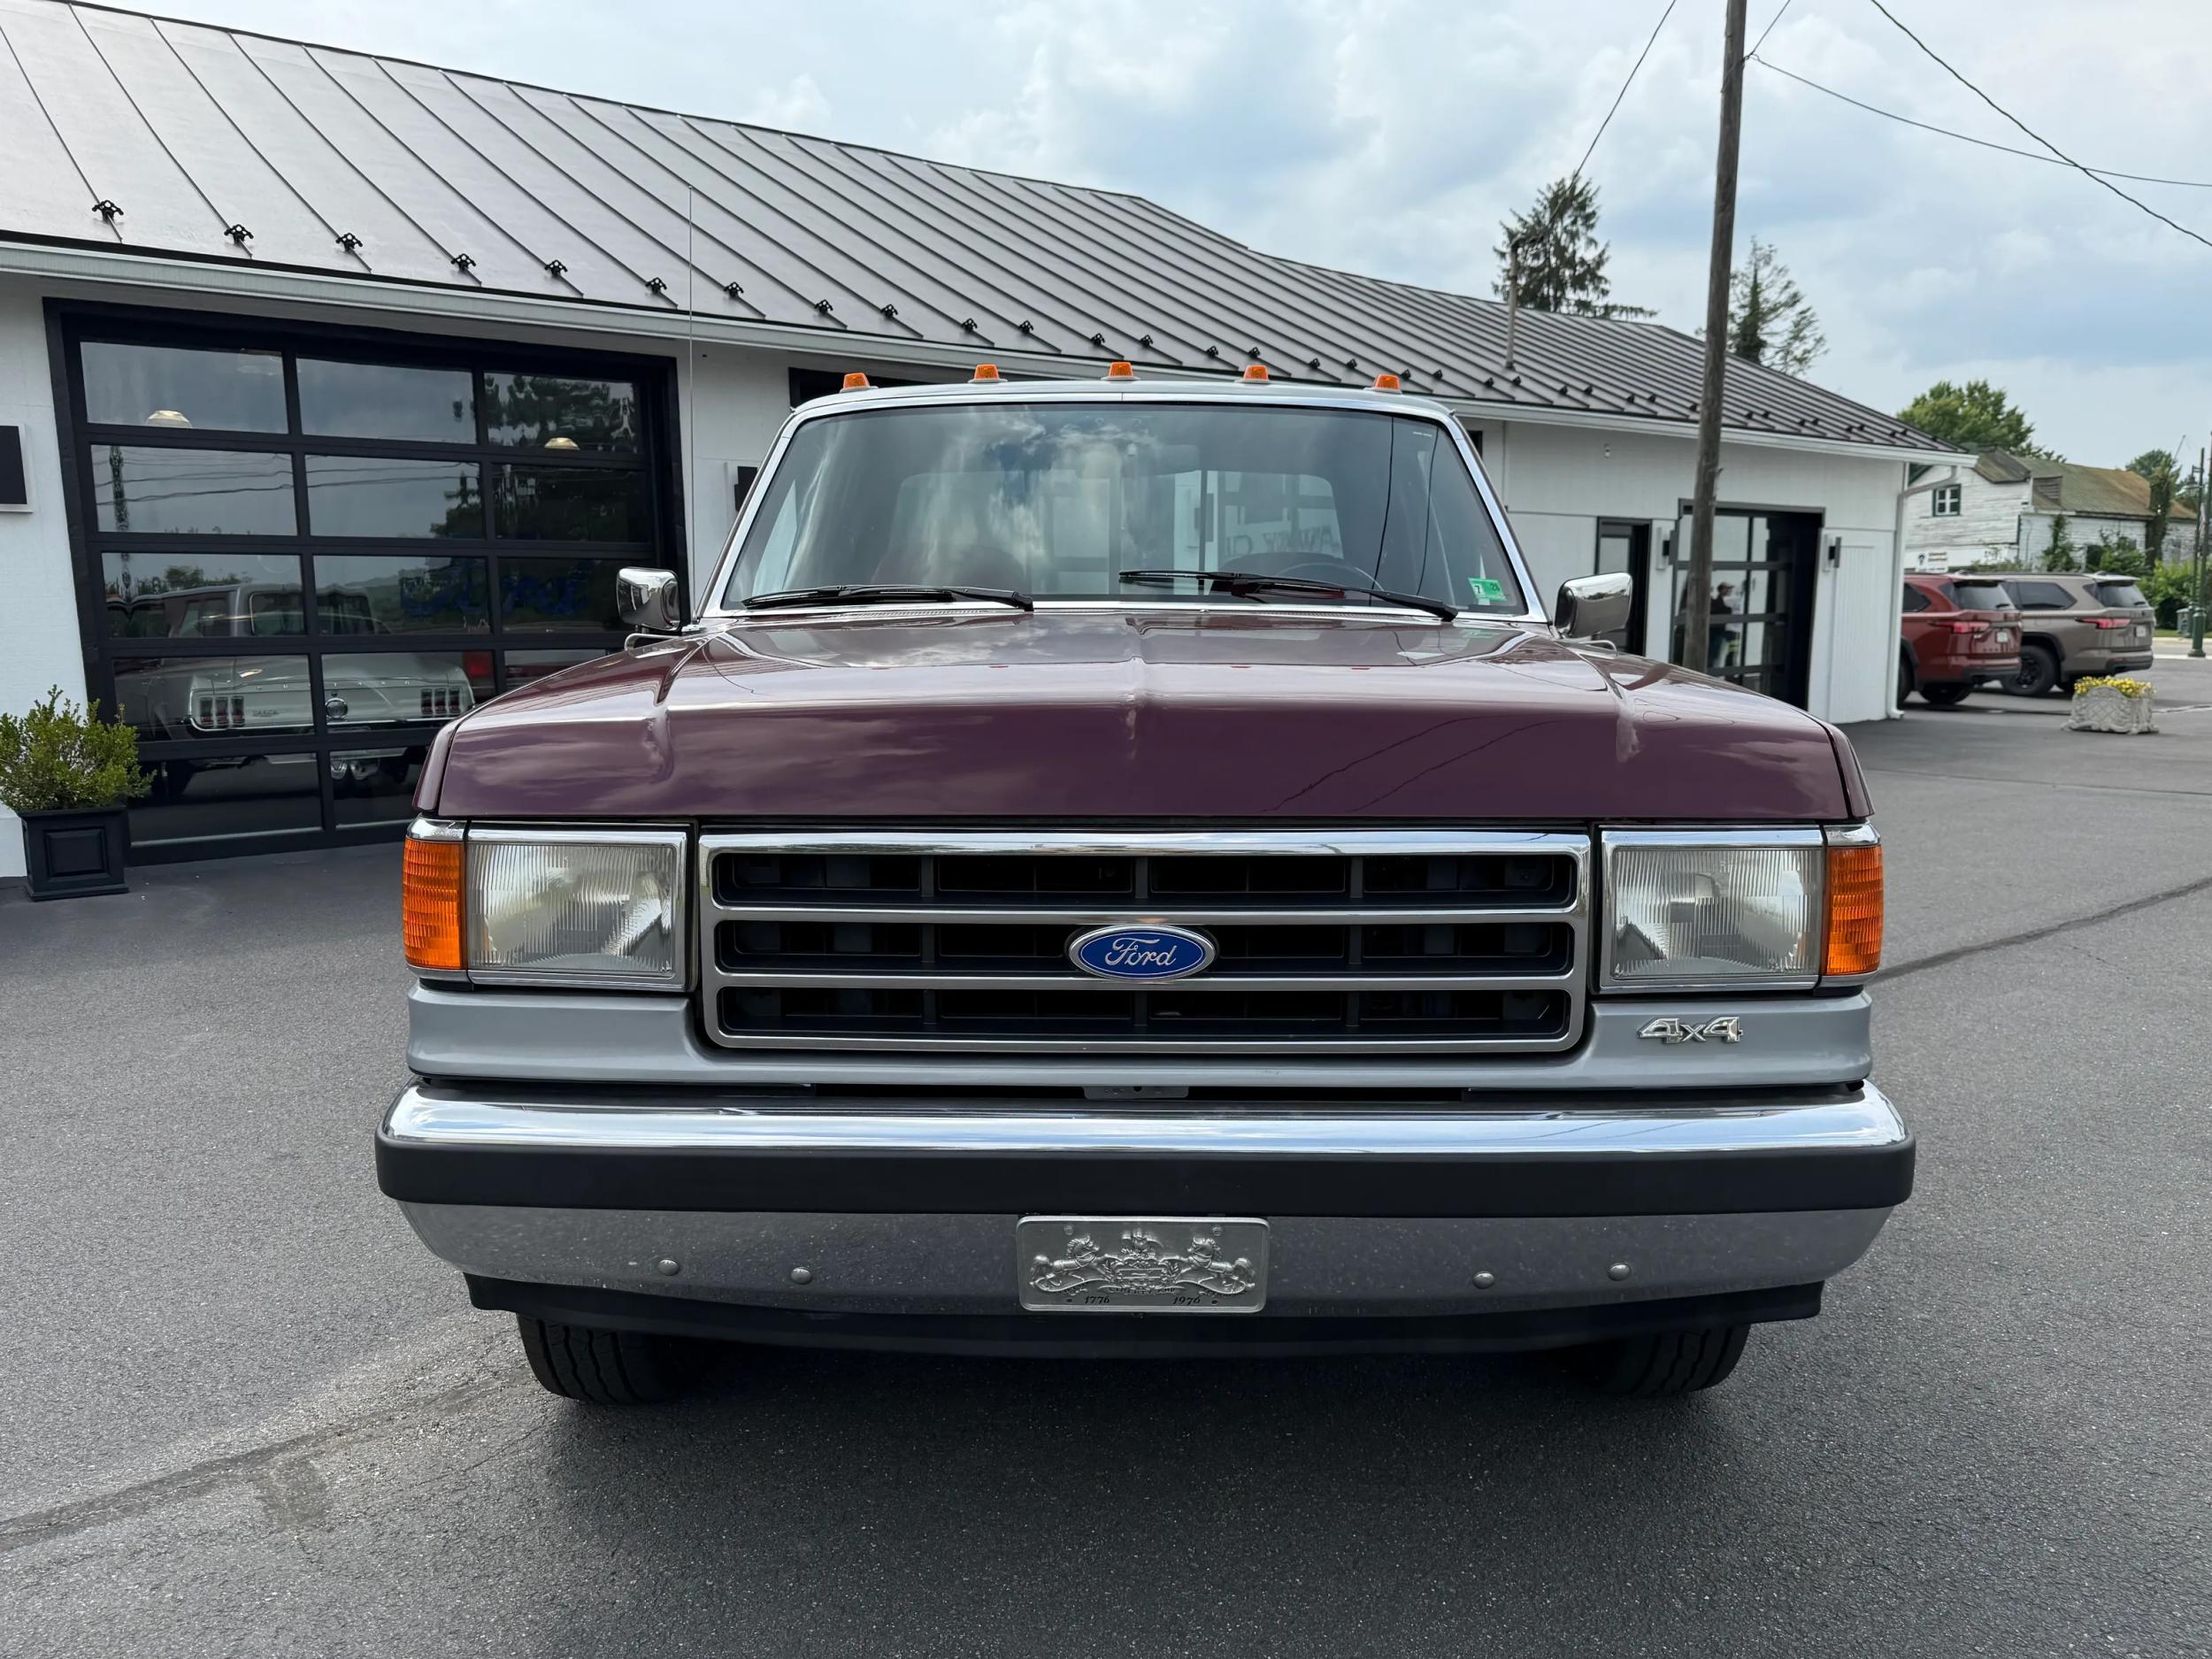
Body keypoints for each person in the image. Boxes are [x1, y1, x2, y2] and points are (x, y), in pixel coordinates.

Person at [1709, 581, 1740, 672]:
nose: (1729, 591)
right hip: (1717, 632)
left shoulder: (1729, 601)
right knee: (1714, 654)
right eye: (1727, 589)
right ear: (1721, 590)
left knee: (1720, 653)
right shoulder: (1718, 601)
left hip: (1724, 631)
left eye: (1730, 589)